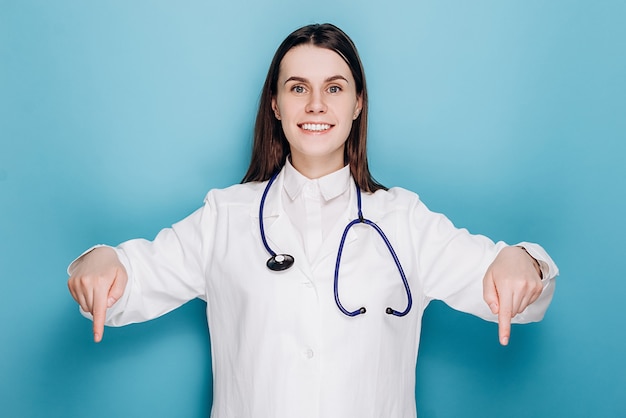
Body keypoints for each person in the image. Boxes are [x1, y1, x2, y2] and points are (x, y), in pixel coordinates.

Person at [67, 23, 558, 418]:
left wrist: (525, 263)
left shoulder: (404, 220)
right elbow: (127, 281)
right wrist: (99, 261)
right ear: (276, 105)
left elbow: (510, 287)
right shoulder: (225, 216)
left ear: (358, 103)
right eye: (298, 87)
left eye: (335, 88)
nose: (317, 104)